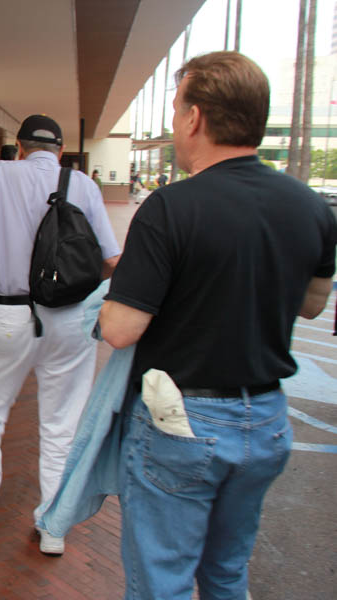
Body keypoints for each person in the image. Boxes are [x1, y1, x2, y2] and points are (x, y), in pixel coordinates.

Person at [98, 52, 336, 599]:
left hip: (183, 423)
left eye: (178, 107)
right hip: (268, 420)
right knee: (227, 573)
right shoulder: (313, 208)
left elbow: (119, 330)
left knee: (164, 581)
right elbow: (313, 305)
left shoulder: (170, 208)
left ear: (195, 117)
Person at [0, 114, 120, 554]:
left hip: (12, 314)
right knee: (61, 422)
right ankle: (52, 527)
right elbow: (112, 260)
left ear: (20, 147)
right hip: (72, 318)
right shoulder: (84, 185)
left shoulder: (1, 174)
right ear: (60, 151)